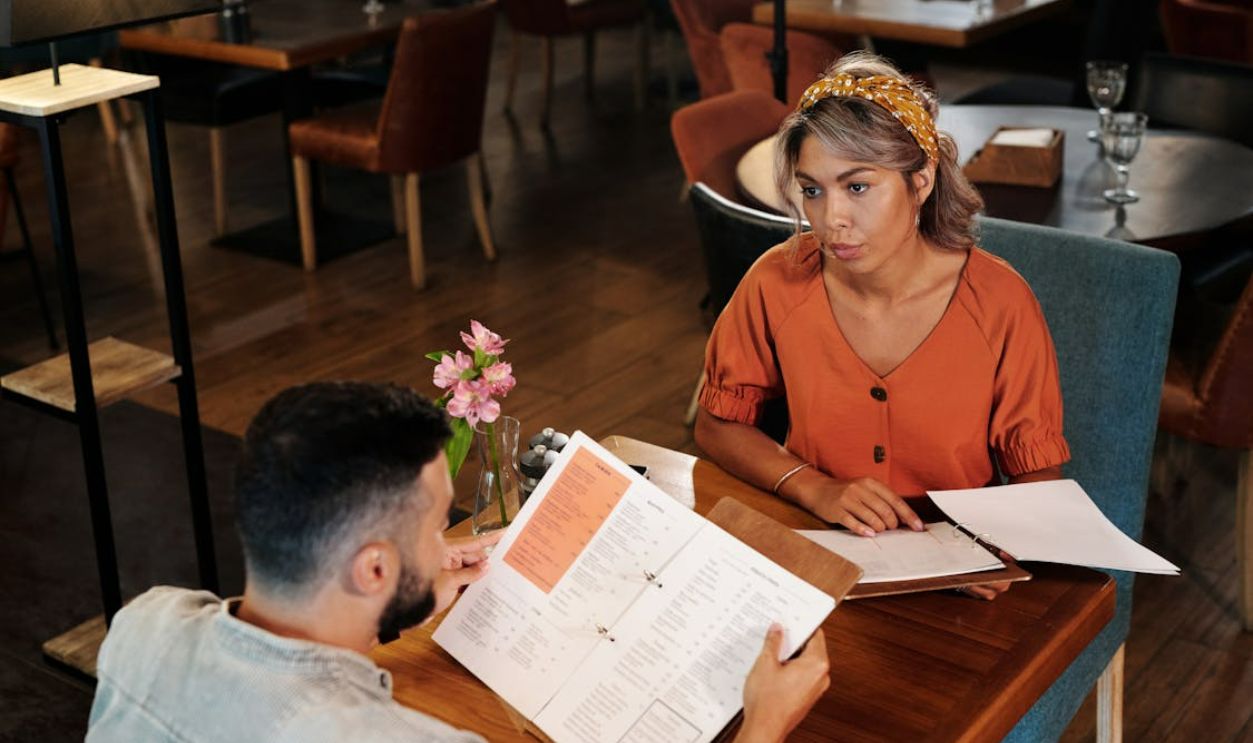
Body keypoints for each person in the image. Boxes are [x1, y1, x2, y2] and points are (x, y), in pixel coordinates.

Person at [87, 381, 830, 742]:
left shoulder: (143, 626)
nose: (450, 543)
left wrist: (395, 599)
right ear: (371, 569)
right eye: (440, 523)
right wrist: (760, 728)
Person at [694, 52, 1070, 601]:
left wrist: (994, 548)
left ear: (921, 180)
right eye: (813, 190)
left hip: (958, 584)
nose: (831, 220)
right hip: (816, 559)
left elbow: (1038, 474)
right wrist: (816, 488)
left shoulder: (1001, 303)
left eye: (858, 187)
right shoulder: (776, 282)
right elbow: (716, 425)